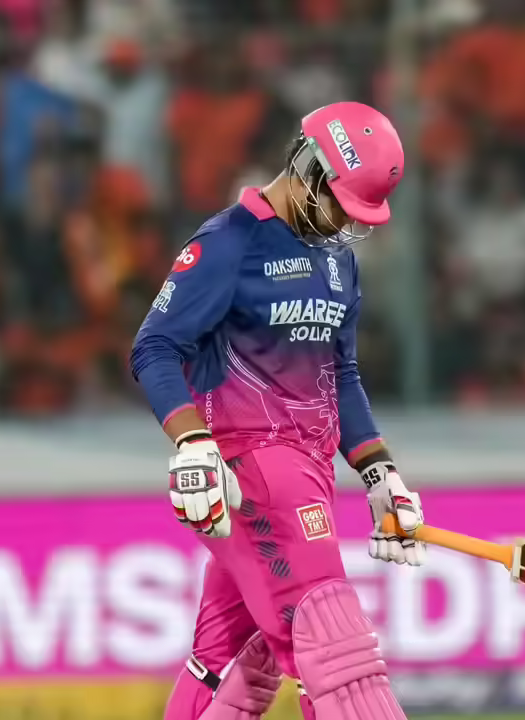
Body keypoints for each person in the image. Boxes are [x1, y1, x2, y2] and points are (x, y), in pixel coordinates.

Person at [129, 101, 424, 720]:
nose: (348, 220)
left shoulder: (338, 260)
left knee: (228, 664)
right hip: (250, 473)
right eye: (343, 203)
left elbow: (340, 375)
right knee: (334, 648)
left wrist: (380, 473)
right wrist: (193, 443)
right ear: (310, 167)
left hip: (310, 475)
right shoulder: (229, 242)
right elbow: (154, 346)